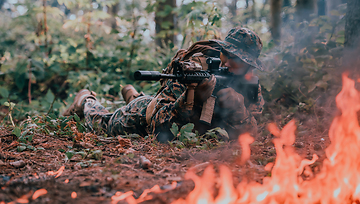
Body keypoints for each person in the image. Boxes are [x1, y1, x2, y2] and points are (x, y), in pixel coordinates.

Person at [62, 27, 265, 142]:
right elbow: (158, 122)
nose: (226, 63)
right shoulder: (194, 71)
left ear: (249, 66)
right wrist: (191, 99)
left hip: (195, 131)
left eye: (236, 61)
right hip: (144, 115)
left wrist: (240, 113)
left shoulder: (249, 85)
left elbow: (253, 135)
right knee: (105, 124)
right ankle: (86, 100)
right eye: (224, 54)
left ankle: (133, 95)